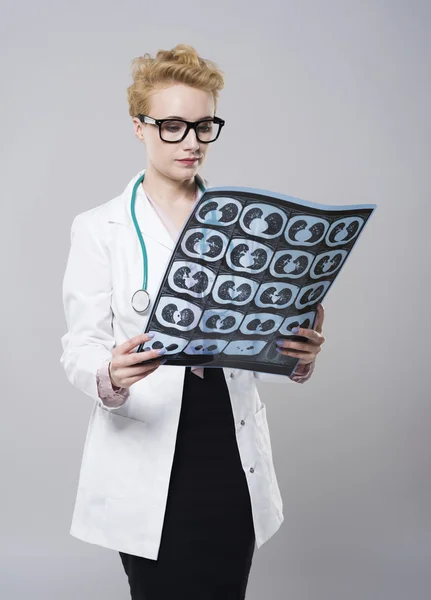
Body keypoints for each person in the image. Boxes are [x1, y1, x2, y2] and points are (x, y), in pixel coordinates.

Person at [60, 44, 326, 600]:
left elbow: (257, 338)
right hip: (149, 452)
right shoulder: (99, 228)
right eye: (173, 126)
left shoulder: (247, 224)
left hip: (228, 447)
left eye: (204, 127)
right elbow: (79, 346)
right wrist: (110, 370)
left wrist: (298, 351)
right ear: (139, 127)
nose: (192, 143)